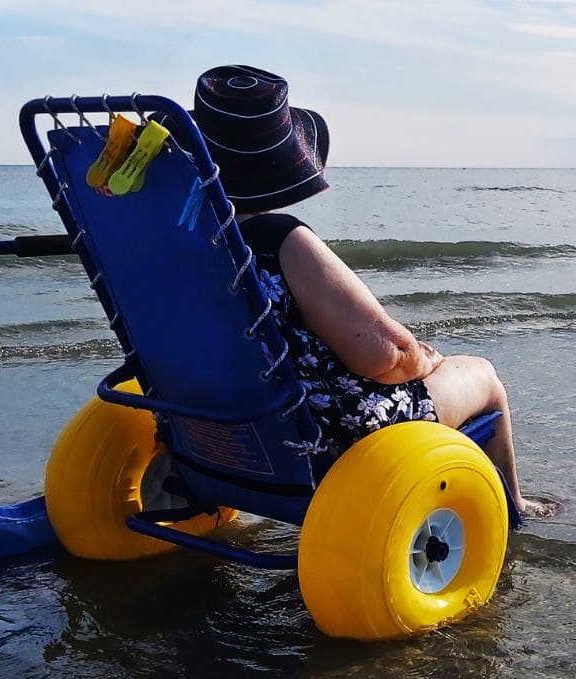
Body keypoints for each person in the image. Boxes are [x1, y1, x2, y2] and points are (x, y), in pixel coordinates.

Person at [188, 65, 555, 517]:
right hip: (320, 439)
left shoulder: (179, 243)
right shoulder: (279, 239)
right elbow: (384, 356)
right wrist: (426, 359)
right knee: (482, 376)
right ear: (277, 164)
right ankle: (511, 508)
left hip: (211, 422)